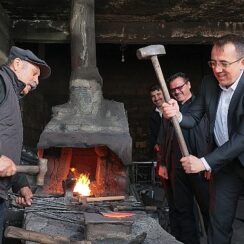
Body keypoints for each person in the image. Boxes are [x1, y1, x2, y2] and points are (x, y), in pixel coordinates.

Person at [162, 34, 244, 244]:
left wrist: (204, 162)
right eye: (213, 63)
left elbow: (242, 138)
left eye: (224, 63)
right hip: (226, 167)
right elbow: (194, 117)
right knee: (218, 223)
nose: (217, 69)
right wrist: (177, 115)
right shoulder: (209, 83)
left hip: (229, 156)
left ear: (242, 62)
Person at [0, 46, 51, 243]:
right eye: (34, 73)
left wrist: (20, 184)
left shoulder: (12, 96)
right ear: (17, 64)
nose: (36, 81)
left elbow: (7, 148)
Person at [157, 72, 211, 244]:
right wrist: (163, 163)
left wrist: (210, 163)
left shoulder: (201, 105)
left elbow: (212, 135)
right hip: (177, 167)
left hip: (200, 165)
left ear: (188, 84)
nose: (177, 91)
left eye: (180, 87)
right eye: (173, 90)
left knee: (209, 209)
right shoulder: (169, 110)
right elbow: (163, 139)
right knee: (183, 210)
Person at [148, 84, 164, 160]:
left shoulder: (174, 109)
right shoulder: (152, 115)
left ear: (164, 93)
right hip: (160, 153)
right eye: (153, 96)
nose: (156, 98)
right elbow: (152, 136)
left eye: (158, 94)